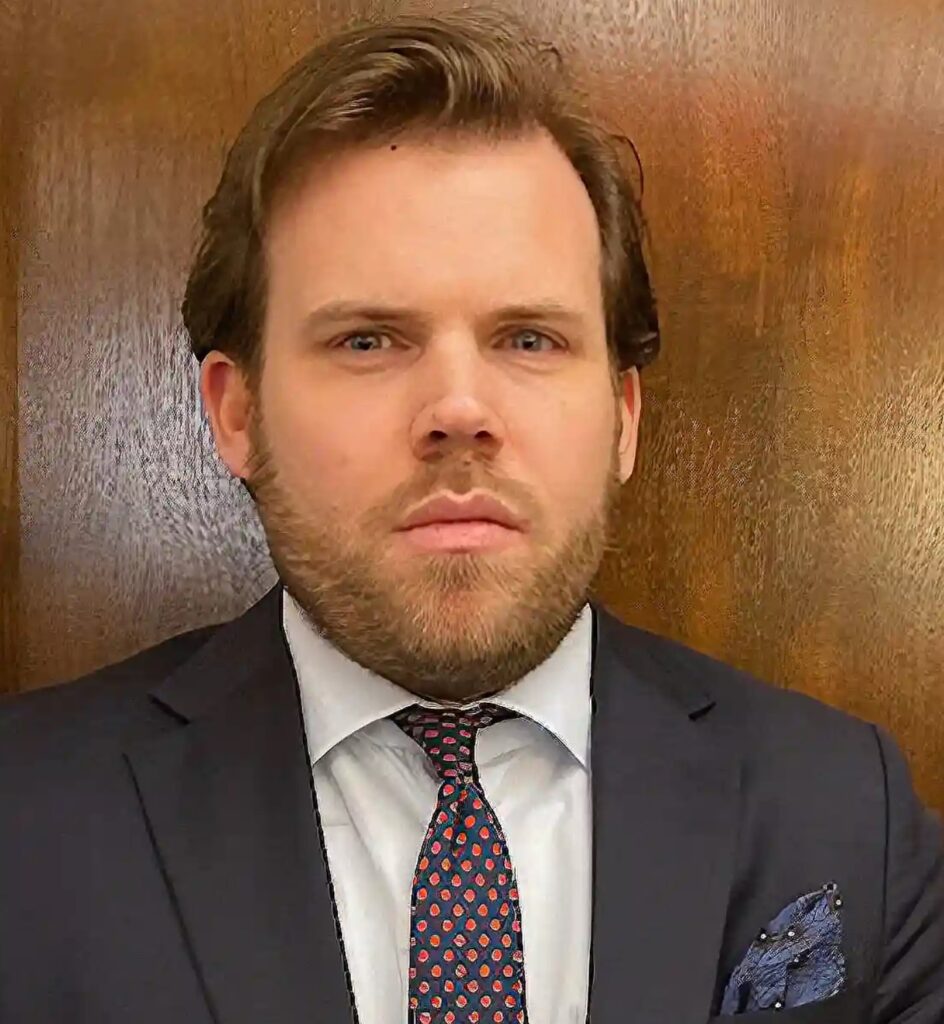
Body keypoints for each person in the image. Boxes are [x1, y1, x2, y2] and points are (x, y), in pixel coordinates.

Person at [1, 6, 941, 1023]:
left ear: (622, 418)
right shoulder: (25, 817)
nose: (458, 410)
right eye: (368, 340)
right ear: (237, 412)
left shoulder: (847, 816)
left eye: (529, 339)